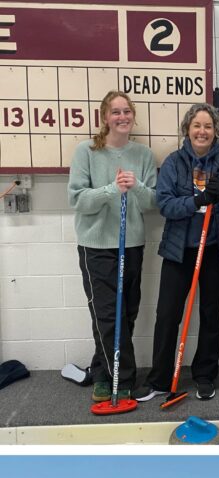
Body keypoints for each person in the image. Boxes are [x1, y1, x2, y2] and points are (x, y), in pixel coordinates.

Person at [142, 104, 219, 403]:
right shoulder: (174, 162)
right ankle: (160, 378)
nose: (202, 131)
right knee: (167, 314)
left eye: (208, 126)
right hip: (179, 250)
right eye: (197, 125)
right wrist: (197, 200)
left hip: (214, 250)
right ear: (188, 129)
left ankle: (205, 375)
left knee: (211, 313)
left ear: (216, 132)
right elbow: (165, 204)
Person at [69, 91, 158, 404]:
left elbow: (152, 202)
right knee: (108, 315)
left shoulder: (143, 155)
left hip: (131, 244)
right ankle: (125, 380)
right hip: (97, 246)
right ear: (104, 118)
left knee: (127, 314)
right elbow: (77, 200)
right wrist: (110, 189)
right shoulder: (87, 152)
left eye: (127, 112)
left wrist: (137, 187)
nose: (122, 117)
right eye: (115, 112)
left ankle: (103, 372)